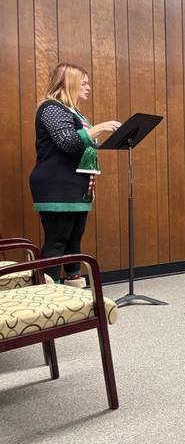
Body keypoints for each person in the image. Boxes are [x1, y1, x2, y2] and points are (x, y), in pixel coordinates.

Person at [29, 63, 121, 285]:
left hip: (75, 185)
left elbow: (82, 146)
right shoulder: (51, 108)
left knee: (73, 238)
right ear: (69, 83)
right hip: (56, 185)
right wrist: (98, 128)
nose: (88, 87)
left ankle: (72, 283)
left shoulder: (72, 111)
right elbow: (68, 141)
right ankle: (48, 291)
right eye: (85, 82)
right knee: (57, 240)